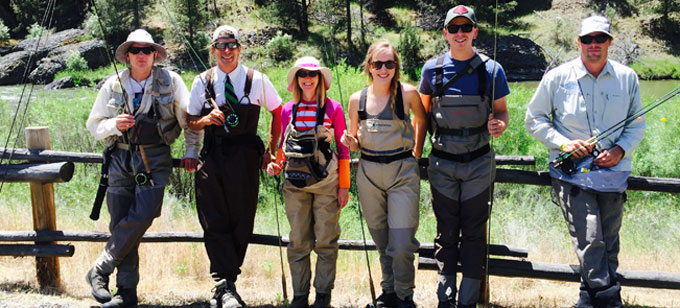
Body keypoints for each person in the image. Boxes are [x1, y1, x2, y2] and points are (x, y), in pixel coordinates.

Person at [525, 15, 645, 308]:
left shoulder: (628, 77)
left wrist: (619, 150)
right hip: (572, 176)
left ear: (609, 42)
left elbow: (637, 124)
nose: (594, 45)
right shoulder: (557, 77)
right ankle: (609, 299)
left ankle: (587, 300)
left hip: (613, 174)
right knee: (590, 239)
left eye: (600, 39)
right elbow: (534, 120)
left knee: (608, 243)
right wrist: (564, 143)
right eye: (587, 39)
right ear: (578, 42)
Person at [85, 29, 200, 308]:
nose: (141, 55)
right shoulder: (112, 84)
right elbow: (94, 126)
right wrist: (114, 125)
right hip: (119, 159)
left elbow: (190, 121)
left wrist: (190, 152)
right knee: (121, 223)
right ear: (127, 55)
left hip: (156, 157)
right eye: (135, 50)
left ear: (154, 54)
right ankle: (126, 293)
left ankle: (100, 269)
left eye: (146, 50)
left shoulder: (171, 81)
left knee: (146, 212)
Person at [417, 5, 510, 308]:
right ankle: (446, 298)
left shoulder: (493, 70)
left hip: (479, 164)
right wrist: (417, 155)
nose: (460, 34)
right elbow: (421, 116)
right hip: (442, 164)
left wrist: (500, 125)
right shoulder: (431, 70)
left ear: (475, 32)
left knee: (473, 231)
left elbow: (502, 112)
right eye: (453, 28)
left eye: (465, 28)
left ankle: (468, 301)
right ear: (445, 33)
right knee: (446, 231)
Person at [186, 25, 282, 308]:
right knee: (212, 218)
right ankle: (223, 283)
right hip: (212, 155)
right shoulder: (201, 81)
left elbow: (278, 112)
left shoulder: (258, 80)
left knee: (242, 219)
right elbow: (190, 120)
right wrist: (206, 120)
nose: (226, 51)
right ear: (212, 50)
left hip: (245, 157)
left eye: (232, 45)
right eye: (220, 45)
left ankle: (227, 282)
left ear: (240, 49)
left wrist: (271, 150)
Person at [341, 41, 426, 308]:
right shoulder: (357, 99)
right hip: (368, 174)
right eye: (378, 64)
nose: (384, 69)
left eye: (389, 63)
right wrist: (349, 142)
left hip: (402, 173)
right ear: (369, 66)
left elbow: (422, 120)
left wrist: (418, 152)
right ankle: (388, 293)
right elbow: (354, 140)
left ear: (396, 67)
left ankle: (404, 295)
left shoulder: (408, 93)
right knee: (382, 240)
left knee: (401, 243)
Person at [265, 56, 349, 308]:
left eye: (313, 75)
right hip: (294, 183)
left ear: (321, 79)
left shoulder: (334, 108)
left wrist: (344, 186)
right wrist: (276, 165)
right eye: (303, 74)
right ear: (296, 80)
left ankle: (323, 295)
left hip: (327, 184)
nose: (308, 79)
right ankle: (299, 296)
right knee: (298, 240)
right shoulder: (289, 110)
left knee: (326, 239)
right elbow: (283, 146)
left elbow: (343, 151)